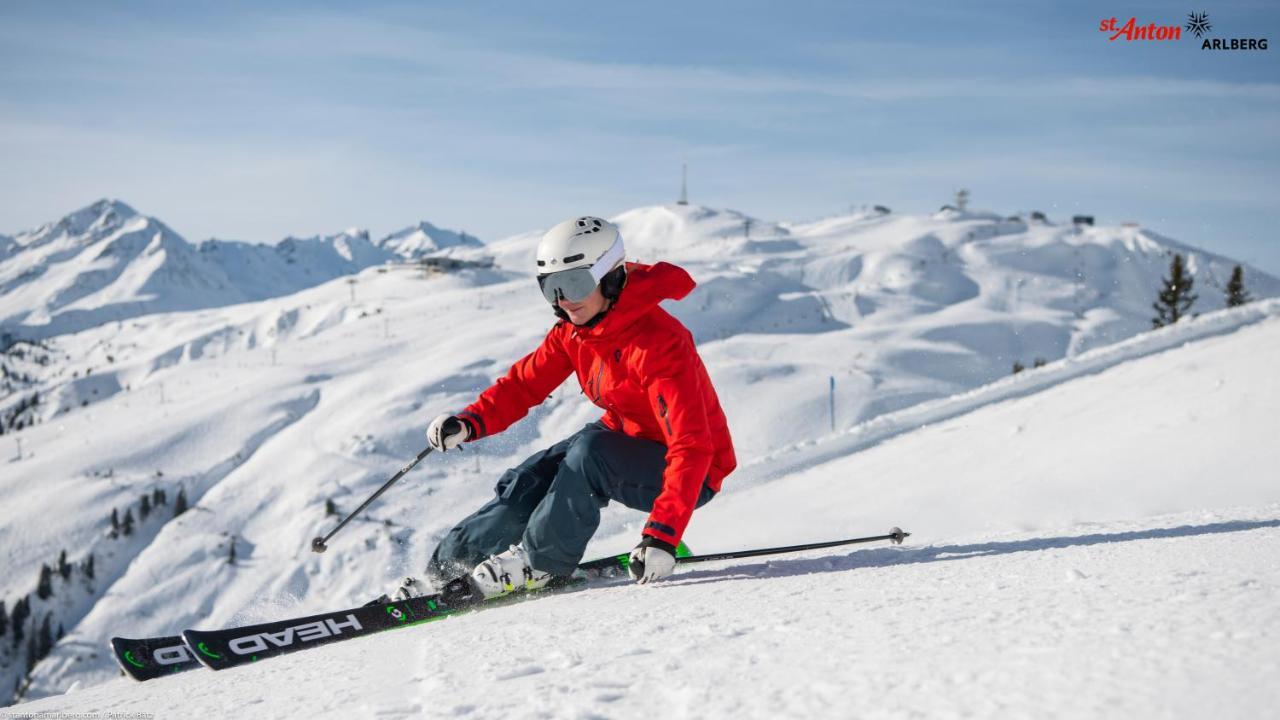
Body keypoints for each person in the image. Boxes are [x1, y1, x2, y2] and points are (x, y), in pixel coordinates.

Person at [407, 216, 735, 598]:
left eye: (575, 283)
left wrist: (662, 536)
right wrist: (469, 422)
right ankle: (447, 571)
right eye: (552, 288)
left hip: (694, 470)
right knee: (534, 477)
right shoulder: (575, 331)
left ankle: (539, 564)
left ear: (611, 278)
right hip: (623, 439)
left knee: (589, 454)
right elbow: (524, 384)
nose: (564, 300)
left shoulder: (660, 344)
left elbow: (692, 446)